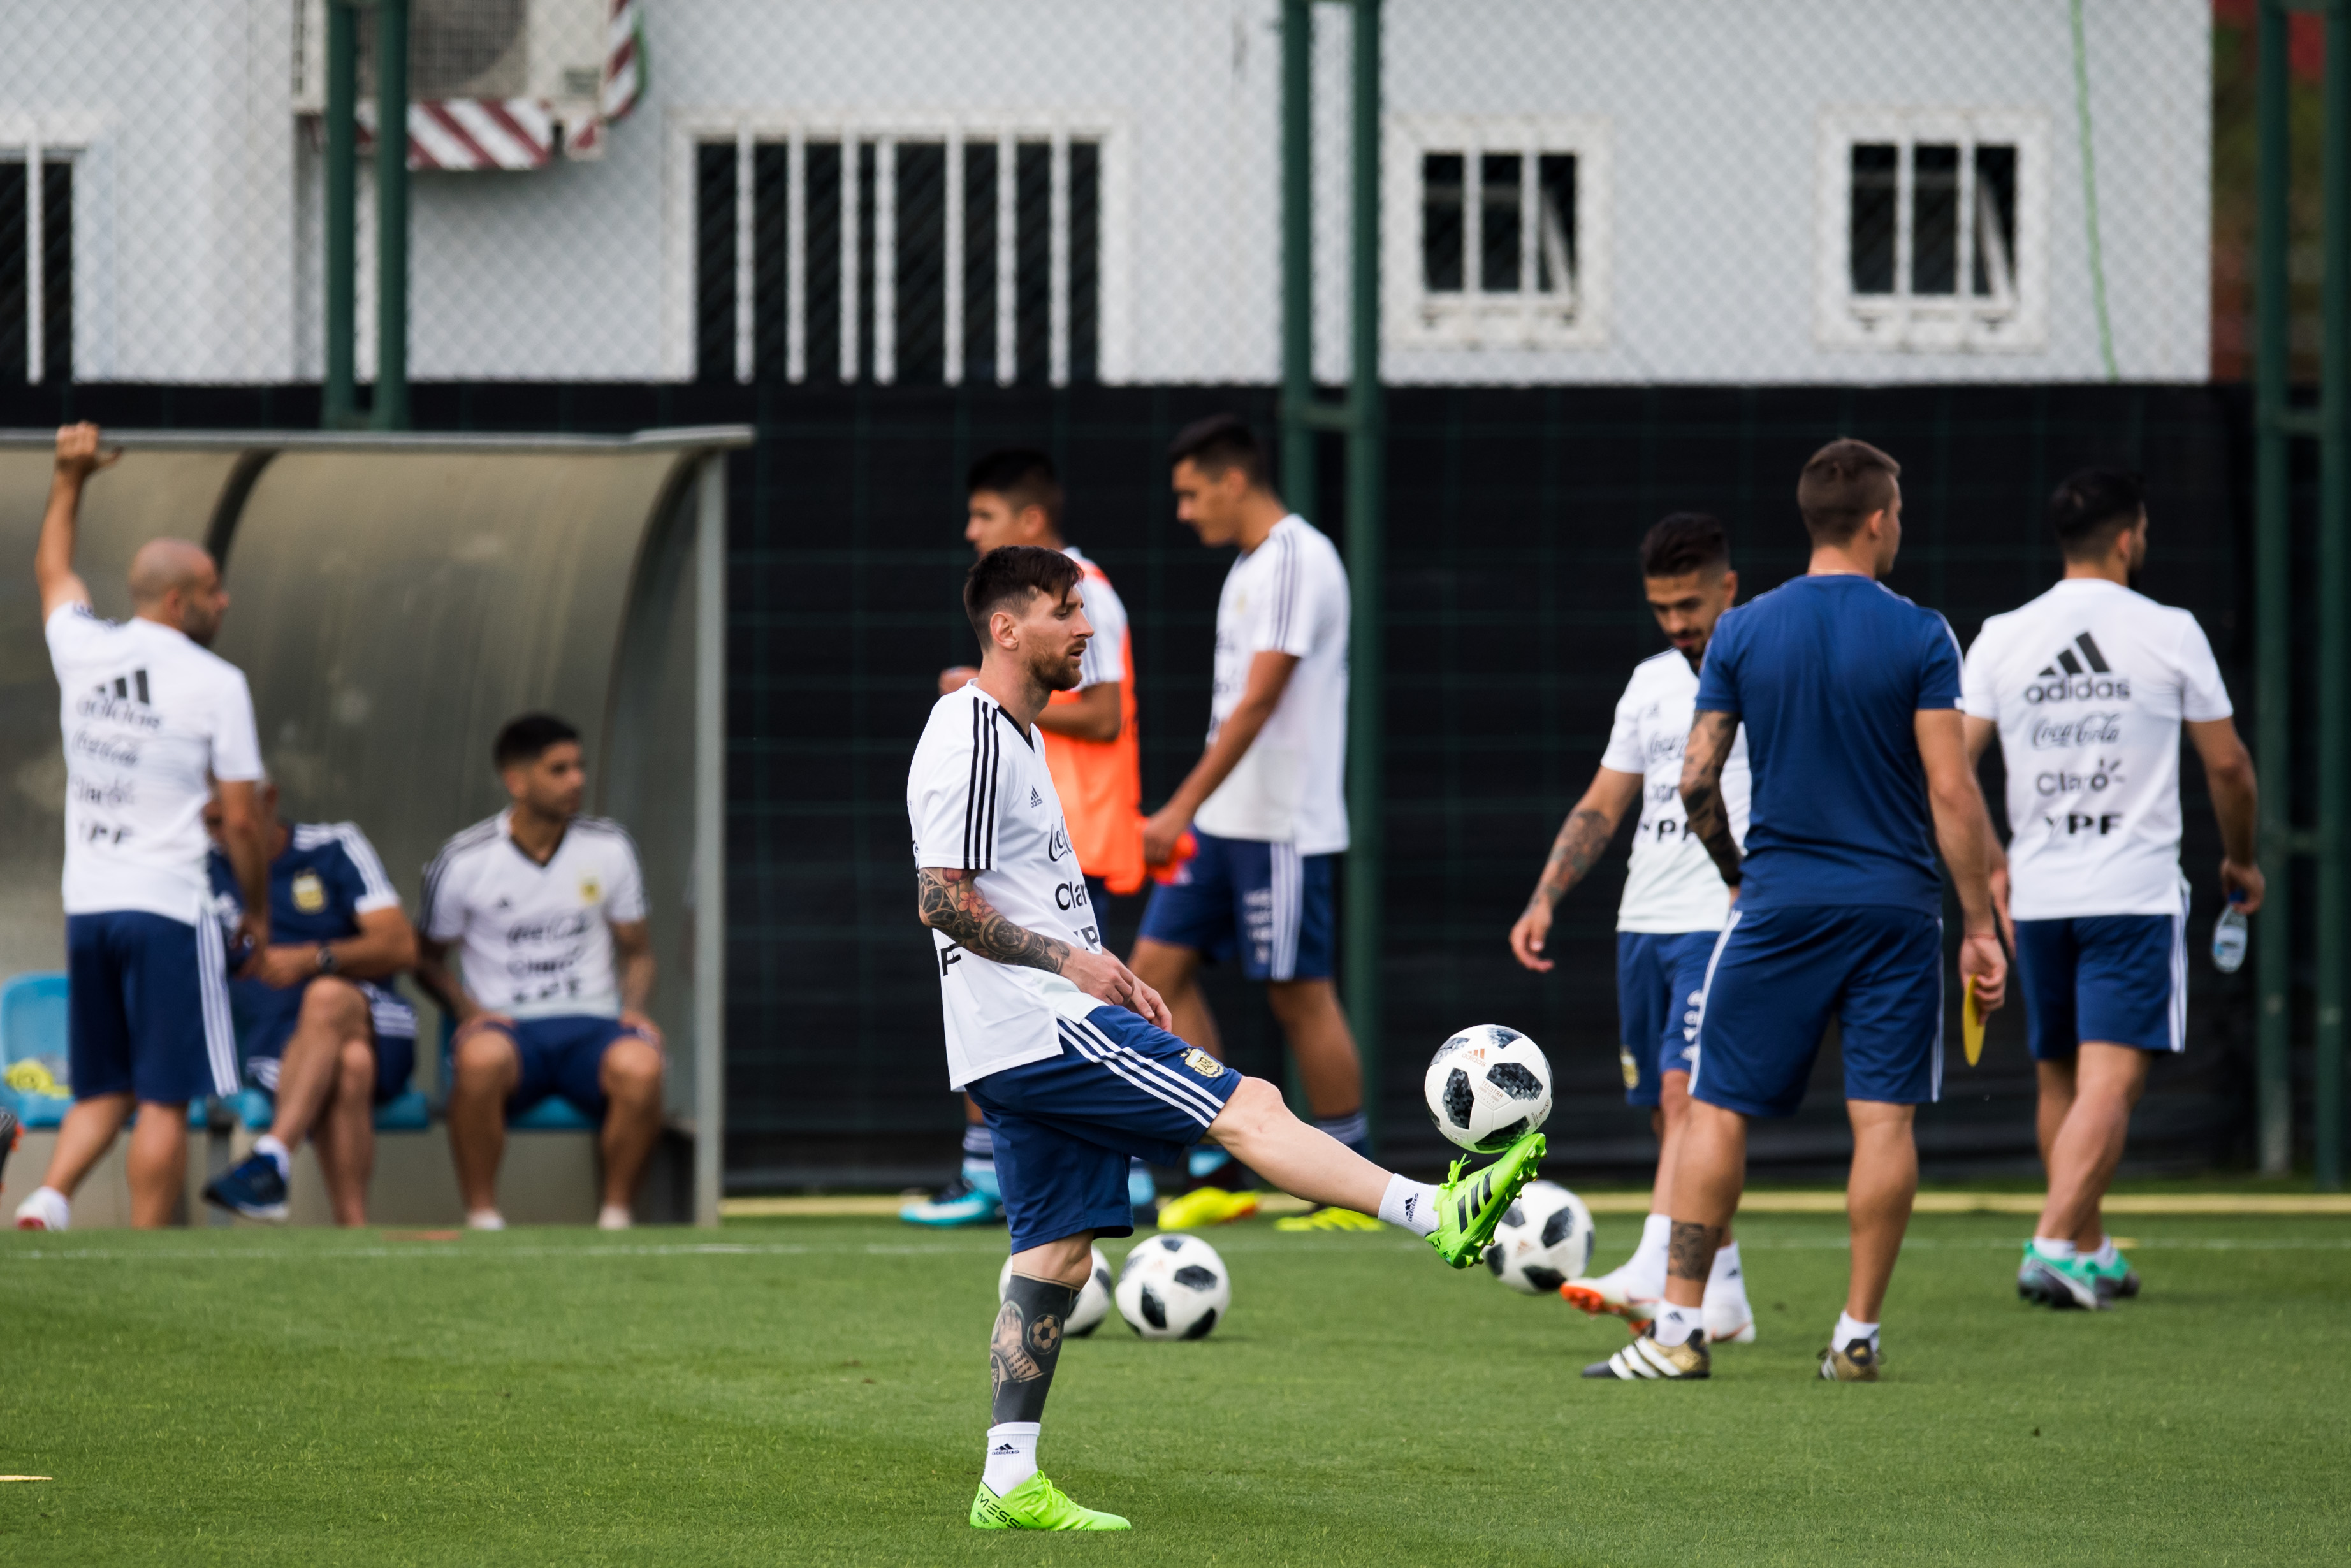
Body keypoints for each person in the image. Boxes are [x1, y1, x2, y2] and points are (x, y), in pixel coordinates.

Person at [910, 544, 1544, 1530]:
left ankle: (1006, 1479)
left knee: (1057, 1257)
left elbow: (1016, 894)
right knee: (1249, 1104)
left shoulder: (1016, 736)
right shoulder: (977, 734)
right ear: (1006, 628)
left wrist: (1104, 967)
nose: (1086, 627)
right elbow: (940, 898)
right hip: (1041, 1027)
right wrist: (1076, 970)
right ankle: (1433, 1211)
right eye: (1066, 610)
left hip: (1026, 1030)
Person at [1587, 437, 2009, 1383]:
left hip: (1777, 904)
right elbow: (1953, 791)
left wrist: (1735, 870)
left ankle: (1679, 1333)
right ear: (1874, 520)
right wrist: (1979, 924)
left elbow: (1698, 780)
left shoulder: (1742, 631)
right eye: (1896, 511)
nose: (1899, 525)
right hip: (1896, 911)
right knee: (1884, 1124)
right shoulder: (1923, 633)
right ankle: (1856, 1337)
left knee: (1715, 1113)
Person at [1960, 469, 2260, 1310]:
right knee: (2112, 1082)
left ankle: (2090, 1247)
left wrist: (1991, 860)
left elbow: (1947, 768)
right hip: (2131, 895)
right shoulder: (2168, 631)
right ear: (2129, 537)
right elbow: (2230, 766)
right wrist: (2241, 859)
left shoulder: (2004, 635)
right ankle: (2055, 1242)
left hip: (2044, 898)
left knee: (2063, 1080)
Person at [1510, 513, 1757, 1344]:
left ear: (1729, 586)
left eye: (1691, 603)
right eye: (1662, 608)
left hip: (1718, 915)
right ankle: (1722, 1295)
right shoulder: (1651, 680)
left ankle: (1658, 1261)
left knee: (1692, 1097)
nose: (1679, 623)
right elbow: (1605, 801)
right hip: (1642, 920)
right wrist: (1547, 895)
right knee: (1665, 1110)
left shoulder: (1765, 666)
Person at [15, 423, 270, 1232]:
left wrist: (68, 478)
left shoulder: (84, 648)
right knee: (167, 1094)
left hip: (89, 904)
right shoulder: (217, 682)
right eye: (215, 590)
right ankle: (148, 1254)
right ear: (177, 601)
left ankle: (47, 1201)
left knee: (105, 1084)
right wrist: (257, 913)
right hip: (168, 906)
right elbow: (242, 816)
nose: (224, 601)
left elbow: (53, 570)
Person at [1132, 416, 1372, 1232]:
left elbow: (1262, 701)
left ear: (1234, 481)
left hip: (1280, 826)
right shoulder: (1250, 566)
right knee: (1152, 974)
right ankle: (1220, 1164)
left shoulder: (1298, 558)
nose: (1184, 511)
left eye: (1192, 493)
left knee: (1297, 994)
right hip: (1223, 824)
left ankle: (1350, 1181)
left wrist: (1176, 807)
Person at [906, 449, 1156, 1229]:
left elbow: (1108, 715)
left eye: (984, 516)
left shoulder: (1076, 598)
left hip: (1073, 841)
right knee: (1023, 999)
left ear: (1030, 520)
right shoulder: (983, 725)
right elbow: (939, 900)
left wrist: (994, 705)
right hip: (1028, 846)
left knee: (1082, 998)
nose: (971, 531)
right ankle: (1006, 1177)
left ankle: (1123, 1166)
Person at [416, 714, 664, 1231]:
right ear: (517, 781)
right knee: (480, 1060)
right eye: (559, 770)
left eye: (579, 767)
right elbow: (425, 958)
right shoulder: (465, 859)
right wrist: (468, 1011)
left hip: (592, 1025)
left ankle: (616, 1220)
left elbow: (638, 952)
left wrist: (634, 1012)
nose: (577, 780)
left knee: (641, 1064)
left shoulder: (610, 847)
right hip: (509, 1030)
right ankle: (484, 1218)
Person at [197, 777, 421, 1225]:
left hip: (372, 1018)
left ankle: (273, 1156)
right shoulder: (200, 868)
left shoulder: (335, 846)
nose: (223, 836)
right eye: (210, 824)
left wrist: (315, 959)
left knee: (325, 996)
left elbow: (402, 947)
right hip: (276, 1039)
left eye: (229, 821)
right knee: (351, 1063)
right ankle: (353, 1231)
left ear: (269, 800)